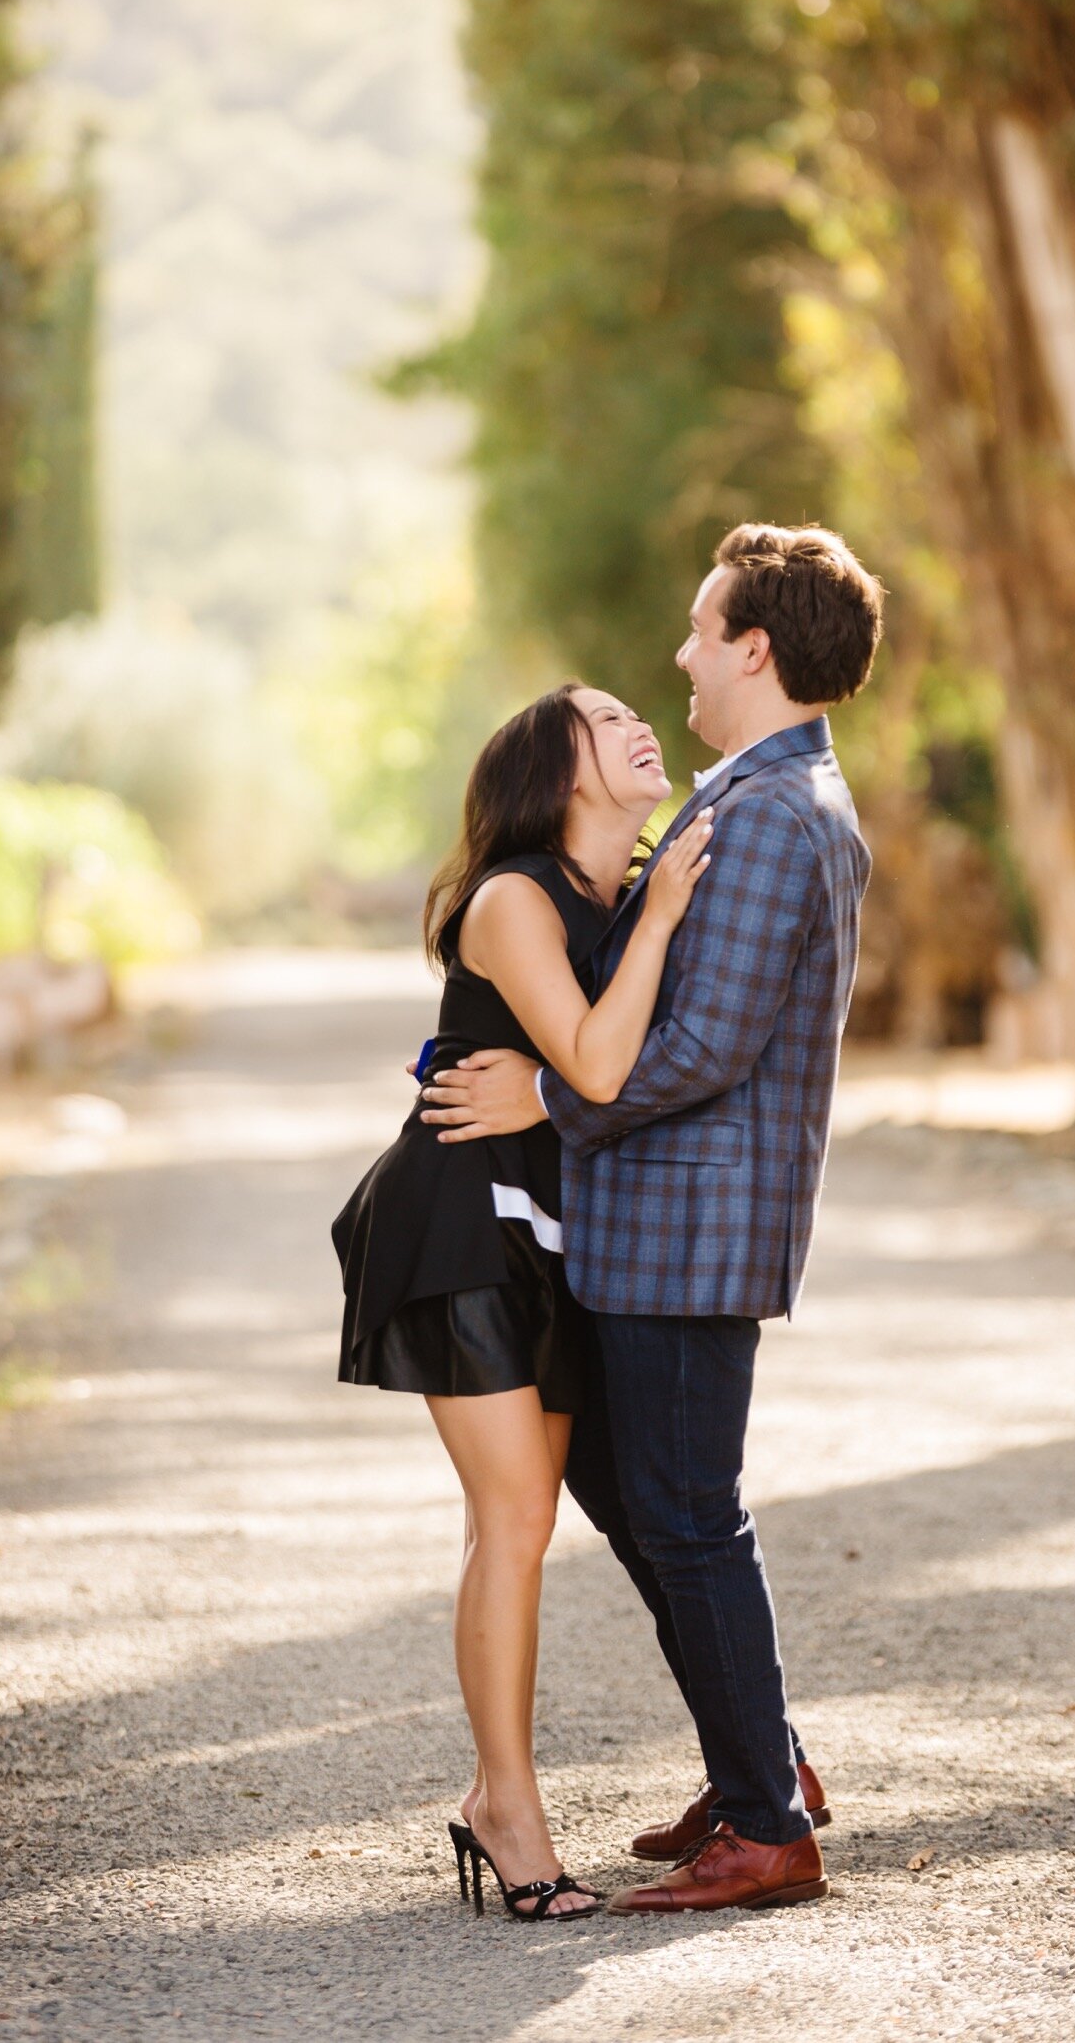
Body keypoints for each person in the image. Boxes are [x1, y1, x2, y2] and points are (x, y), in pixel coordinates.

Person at [421, 522, 882, 1915]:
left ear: (754, 646)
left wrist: (538, 1109)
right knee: (637, 1494)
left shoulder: (775, 813)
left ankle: (765, 1820)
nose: (679, 655)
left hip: (692, 1227)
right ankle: (766, 1764)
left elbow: (700, 1048)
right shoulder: (744, 799)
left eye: (699, 629)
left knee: (686, 1515)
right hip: (653, 1225)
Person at [333, 684, 713, 1922]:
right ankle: (508, 1810)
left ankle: (512, 1794)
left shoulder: (616, 890)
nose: (640, 721)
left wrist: (647, 913)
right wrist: (660, 917)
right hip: (461, 1218)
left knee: (530, 1523)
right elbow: (599, 1062)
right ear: (556, 774)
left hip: (555, 1231)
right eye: (606, 720)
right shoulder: (515, 897)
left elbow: (592, 1073)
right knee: (513, 1520)